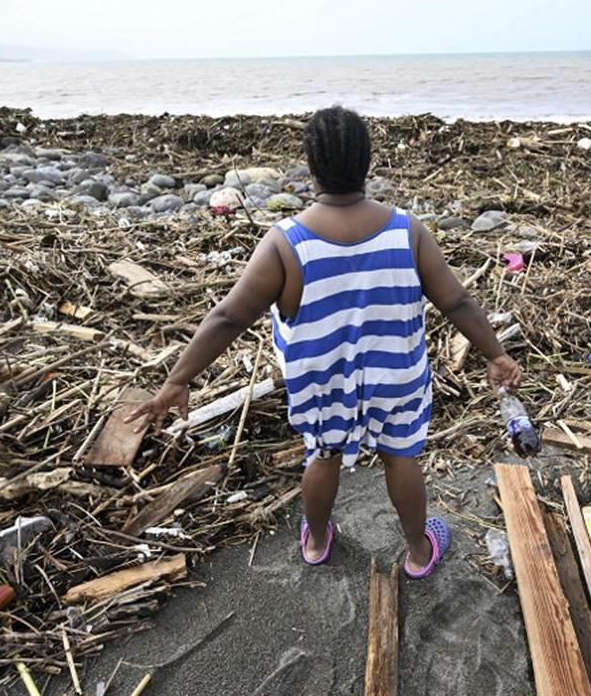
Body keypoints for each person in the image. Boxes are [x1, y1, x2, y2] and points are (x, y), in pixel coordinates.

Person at [127, 106, 520, 577]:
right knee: (401, 457)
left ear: (311, 167)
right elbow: (455, 301)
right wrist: (495, 354)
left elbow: (230, 316)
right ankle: (418, 550)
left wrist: (178, 379)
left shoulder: (285, 242)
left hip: (323, 381)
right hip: (396, 375)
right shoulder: (406, 230)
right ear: (367, 163)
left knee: (324, 454)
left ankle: (316, 539)